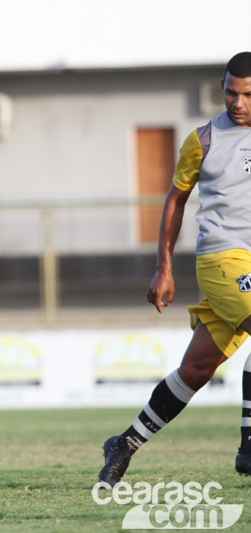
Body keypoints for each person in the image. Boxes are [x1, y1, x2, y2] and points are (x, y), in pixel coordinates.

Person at [99, 51, 251, 487]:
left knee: (197, 369)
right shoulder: (203, 139)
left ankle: (123, 445)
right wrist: (163, 267)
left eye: (246, 95)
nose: (236, 103)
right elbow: (175, 198)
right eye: (230, 93)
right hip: (223, 259)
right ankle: (249, 448)